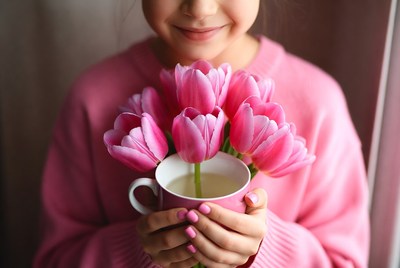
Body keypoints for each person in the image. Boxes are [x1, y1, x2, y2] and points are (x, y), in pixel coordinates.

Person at [34, 0, 370, 267]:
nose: (200, 8)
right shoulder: (91, 99)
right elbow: (55, 259)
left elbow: (345, 261)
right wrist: (139, 251)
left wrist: (265, 250)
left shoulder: (317, 103)